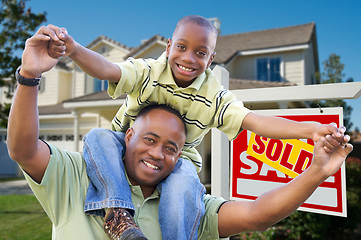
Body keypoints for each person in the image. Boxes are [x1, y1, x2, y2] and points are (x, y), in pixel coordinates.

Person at [7, 26, 353, 239]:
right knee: (96, 137)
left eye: (201, 52)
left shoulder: (211, 101)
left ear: (212, 58)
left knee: (187, 178)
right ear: (169, 45)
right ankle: (116, 212)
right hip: (109, 154)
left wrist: (313, 141)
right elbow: (108, 69)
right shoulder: (77, 177)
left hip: (184, 173)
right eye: (150, 140)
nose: (158, 152)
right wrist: (63, 56)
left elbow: (255, 125)